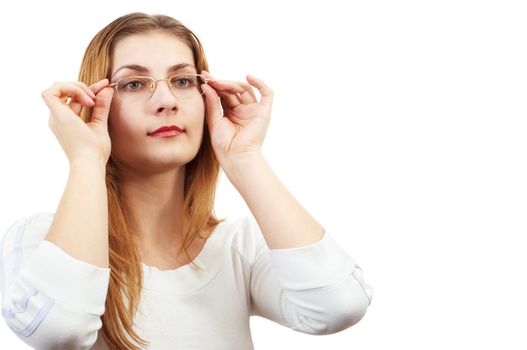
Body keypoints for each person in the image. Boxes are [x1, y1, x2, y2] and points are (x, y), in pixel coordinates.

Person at [0, 12, 373, 350]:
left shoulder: (239, 248)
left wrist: (245, 158)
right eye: (133, 84)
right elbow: (58, 329)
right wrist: (85, 157)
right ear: (96, 102)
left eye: (181, 80)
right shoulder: (39, 239)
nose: (166, 100)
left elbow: (339, 306)